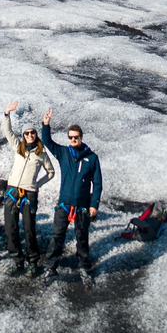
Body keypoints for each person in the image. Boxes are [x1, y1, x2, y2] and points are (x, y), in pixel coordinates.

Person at [40, 108, 102, 285]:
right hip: (64, 205)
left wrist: (94, 204)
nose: (73, 140)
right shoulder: (64, 153)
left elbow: (97, 184)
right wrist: (46, 124)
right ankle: (50, 268)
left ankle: (83, 267)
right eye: (70, 137)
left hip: (82, 207)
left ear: (81, 137)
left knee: (82, 238)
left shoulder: (92, 158)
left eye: (76, 137)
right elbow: (47, 142)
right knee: (57, 237)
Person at [2, 100, 55, 277]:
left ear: (36, 135)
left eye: (32, 133)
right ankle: (17, 261)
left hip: (29, 194)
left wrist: (36, 186)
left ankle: (33, 262)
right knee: (10, 227)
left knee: (29, 228)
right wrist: (7, 114)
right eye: (27, 133)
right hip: (12, 191)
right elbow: (7, 132)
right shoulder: (19, 148)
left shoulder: (41, 153)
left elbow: (51, 172)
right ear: (23, 135)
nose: (30, 135)